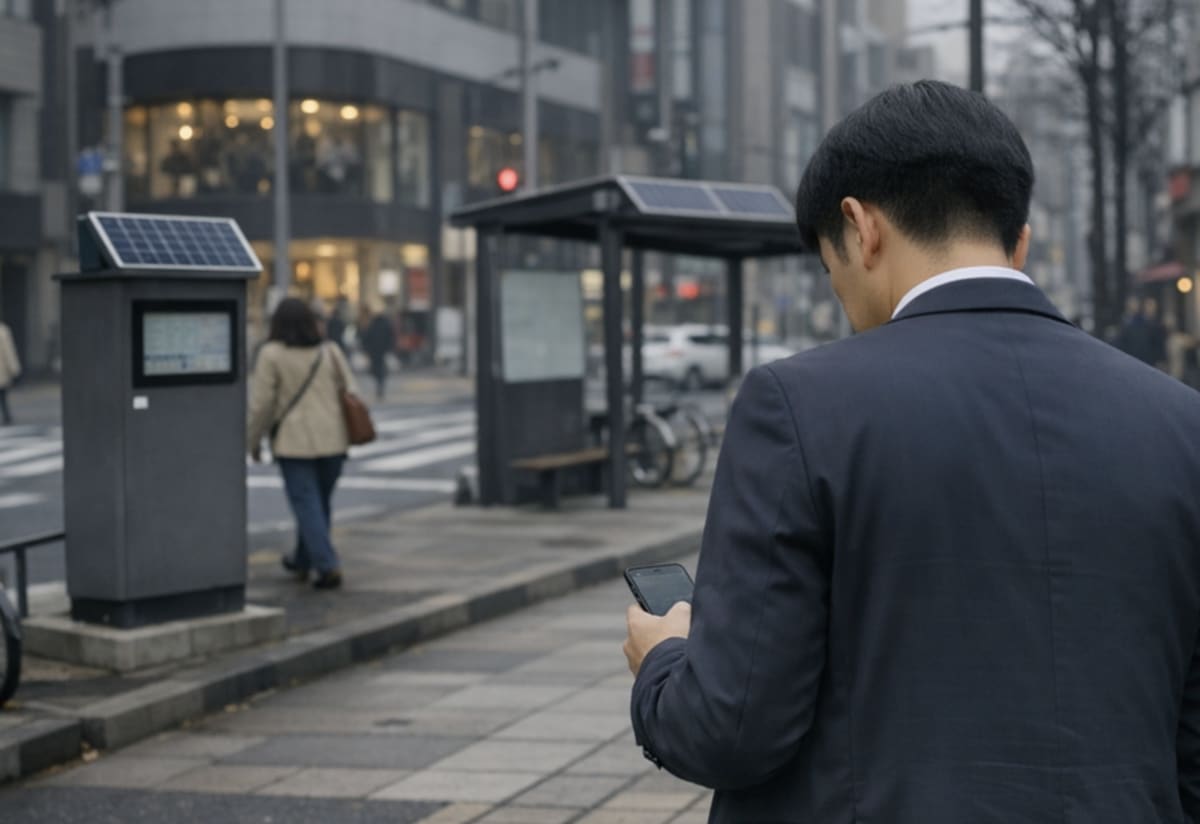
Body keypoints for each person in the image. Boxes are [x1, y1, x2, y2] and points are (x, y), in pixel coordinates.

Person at [623, 80, 1200, 823]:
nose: (845, 301)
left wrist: (665, 658)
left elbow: (729, 730)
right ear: (1018, 239)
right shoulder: (1181, 420)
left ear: (860, 228)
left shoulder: (799, 406)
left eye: (833, 277)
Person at [247, 298, 357, 590]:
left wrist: (253, 441)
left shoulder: (271, 354)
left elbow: (261, 406)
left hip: (294, 443)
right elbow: (352, 390)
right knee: (318, 504)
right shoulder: (329, 350)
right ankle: (302, 560)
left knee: (307, 504)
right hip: (334, 440)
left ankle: (327, 565)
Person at [361, 304, 395, 401]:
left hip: (374, 351)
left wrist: (367, 349)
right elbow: (390, 337)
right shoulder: (386, 324)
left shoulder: (372, 324)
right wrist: (389, 348)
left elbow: (366, 337)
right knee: (381, 370)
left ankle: (379, 386)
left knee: (376, 369)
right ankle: (380, 386)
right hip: (382, 351)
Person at [0, 321, 20, 426]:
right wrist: (15, 369)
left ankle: (7, 417)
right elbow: (9, 352)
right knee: (3, 397)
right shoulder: (3, 331)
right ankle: (7, 417)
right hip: (1, 372)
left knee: (3, 396)